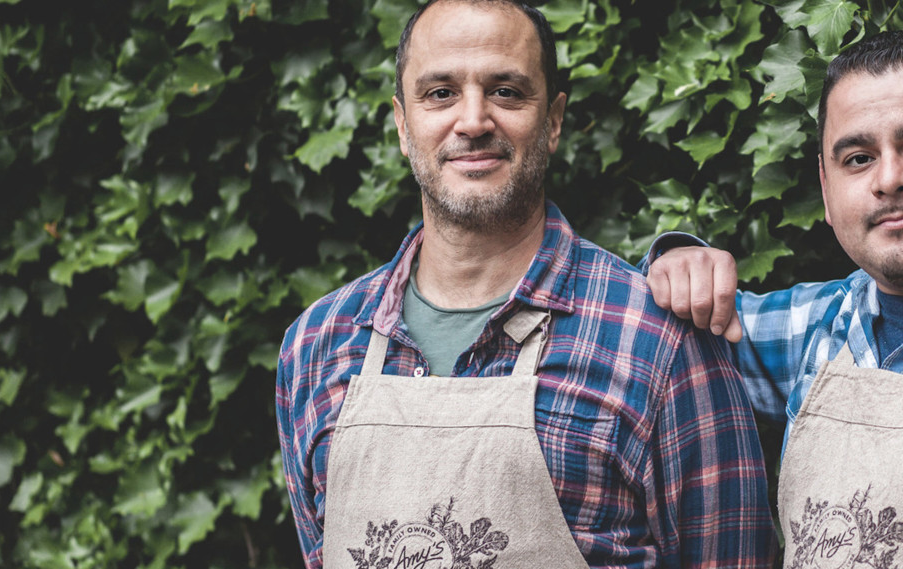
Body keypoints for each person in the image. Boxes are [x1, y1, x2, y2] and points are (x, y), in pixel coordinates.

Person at [275, 1, 776, 567]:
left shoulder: (659, 341)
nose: (472, 120)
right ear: (402, 123)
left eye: (506, 91)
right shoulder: (316, 344)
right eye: (440, 93)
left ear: (554, 120)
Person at [645, 30, 903, 569]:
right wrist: (680, 263)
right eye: (858, 158)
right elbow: (637, 331)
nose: (890, 178)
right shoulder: (815, 326)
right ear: (826, 191)